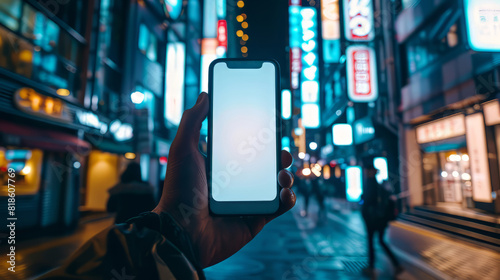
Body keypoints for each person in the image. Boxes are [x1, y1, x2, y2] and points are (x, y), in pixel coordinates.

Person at [39, 92, 295, 280]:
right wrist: (173, 232)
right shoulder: (145, 189)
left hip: (129, 230)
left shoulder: (118, 190)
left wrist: (175, 230)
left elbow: (109, 207)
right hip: (143, 233)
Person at [361, 160, 402, 276]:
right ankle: (396, 264)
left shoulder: (371, 183)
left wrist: (363, 199)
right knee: (380, 240)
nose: (366, 173)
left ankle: (371, 267)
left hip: (372, 219)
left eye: (367, 171)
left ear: (370, 172)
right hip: (380, 218)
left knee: (371, 242)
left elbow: (369, 200)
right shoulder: (379, 185)